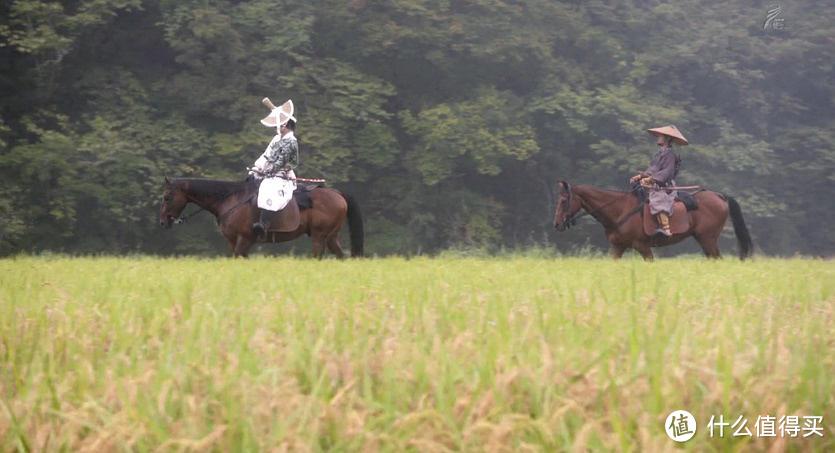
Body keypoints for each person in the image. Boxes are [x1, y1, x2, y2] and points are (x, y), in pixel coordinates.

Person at [249, 98, 299, 239]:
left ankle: (263, 224)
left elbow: (286, 161)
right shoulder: (277, 139)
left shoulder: (291, 141)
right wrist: (257, 167)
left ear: (285, 125)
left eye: (279, 126)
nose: (277, 128)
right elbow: (266, 155)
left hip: (281, 176)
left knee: (268, 189)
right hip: (267, 172)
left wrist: (272, 169)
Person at [630, 125, 687, 236]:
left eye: (660, 136)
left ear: (667, 139)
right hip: (655, 183)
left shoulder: (670, 154)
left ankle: (666, 229)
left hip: (664, 186)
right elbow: (653, 169)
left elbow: (667, 172)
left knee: (658, 201)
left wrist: (651, 179)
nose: (658, 138)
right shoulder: (659, 153)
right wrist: (640, 176)